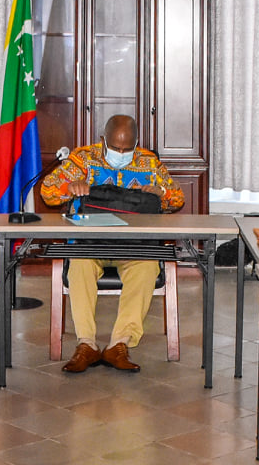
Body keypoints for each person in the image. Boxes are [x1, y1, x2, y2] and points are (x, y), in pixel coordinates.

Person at [39, 114, 186, 374]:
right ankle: (87, 344)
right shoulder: (83, 158)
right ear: (103, 140)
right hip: (90, 244)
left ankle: (119, 345)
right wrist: (69, 186)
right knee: (79, 265)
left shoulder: (149, 163)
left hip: (134, 247)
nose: (121, 153)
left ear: (136, 143)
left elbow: (177, 198)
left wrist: (161, 193)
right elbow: (47, 192)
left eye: (127, 149)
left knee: (147, 267)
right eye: (115, 148)